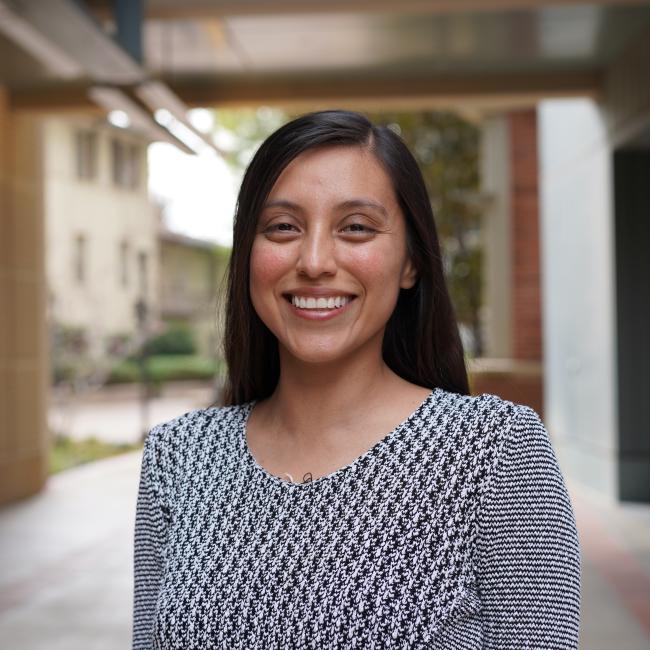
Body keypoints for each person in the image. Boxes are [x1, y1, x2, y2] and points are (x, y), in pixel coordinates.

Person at [132, 109, 581, 649]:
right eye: (282, 227)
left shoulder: (496, 452)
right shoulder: (178, 456)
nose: (315, 260)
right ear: (248, 254)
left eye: (356, 228)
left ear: (411, 261)